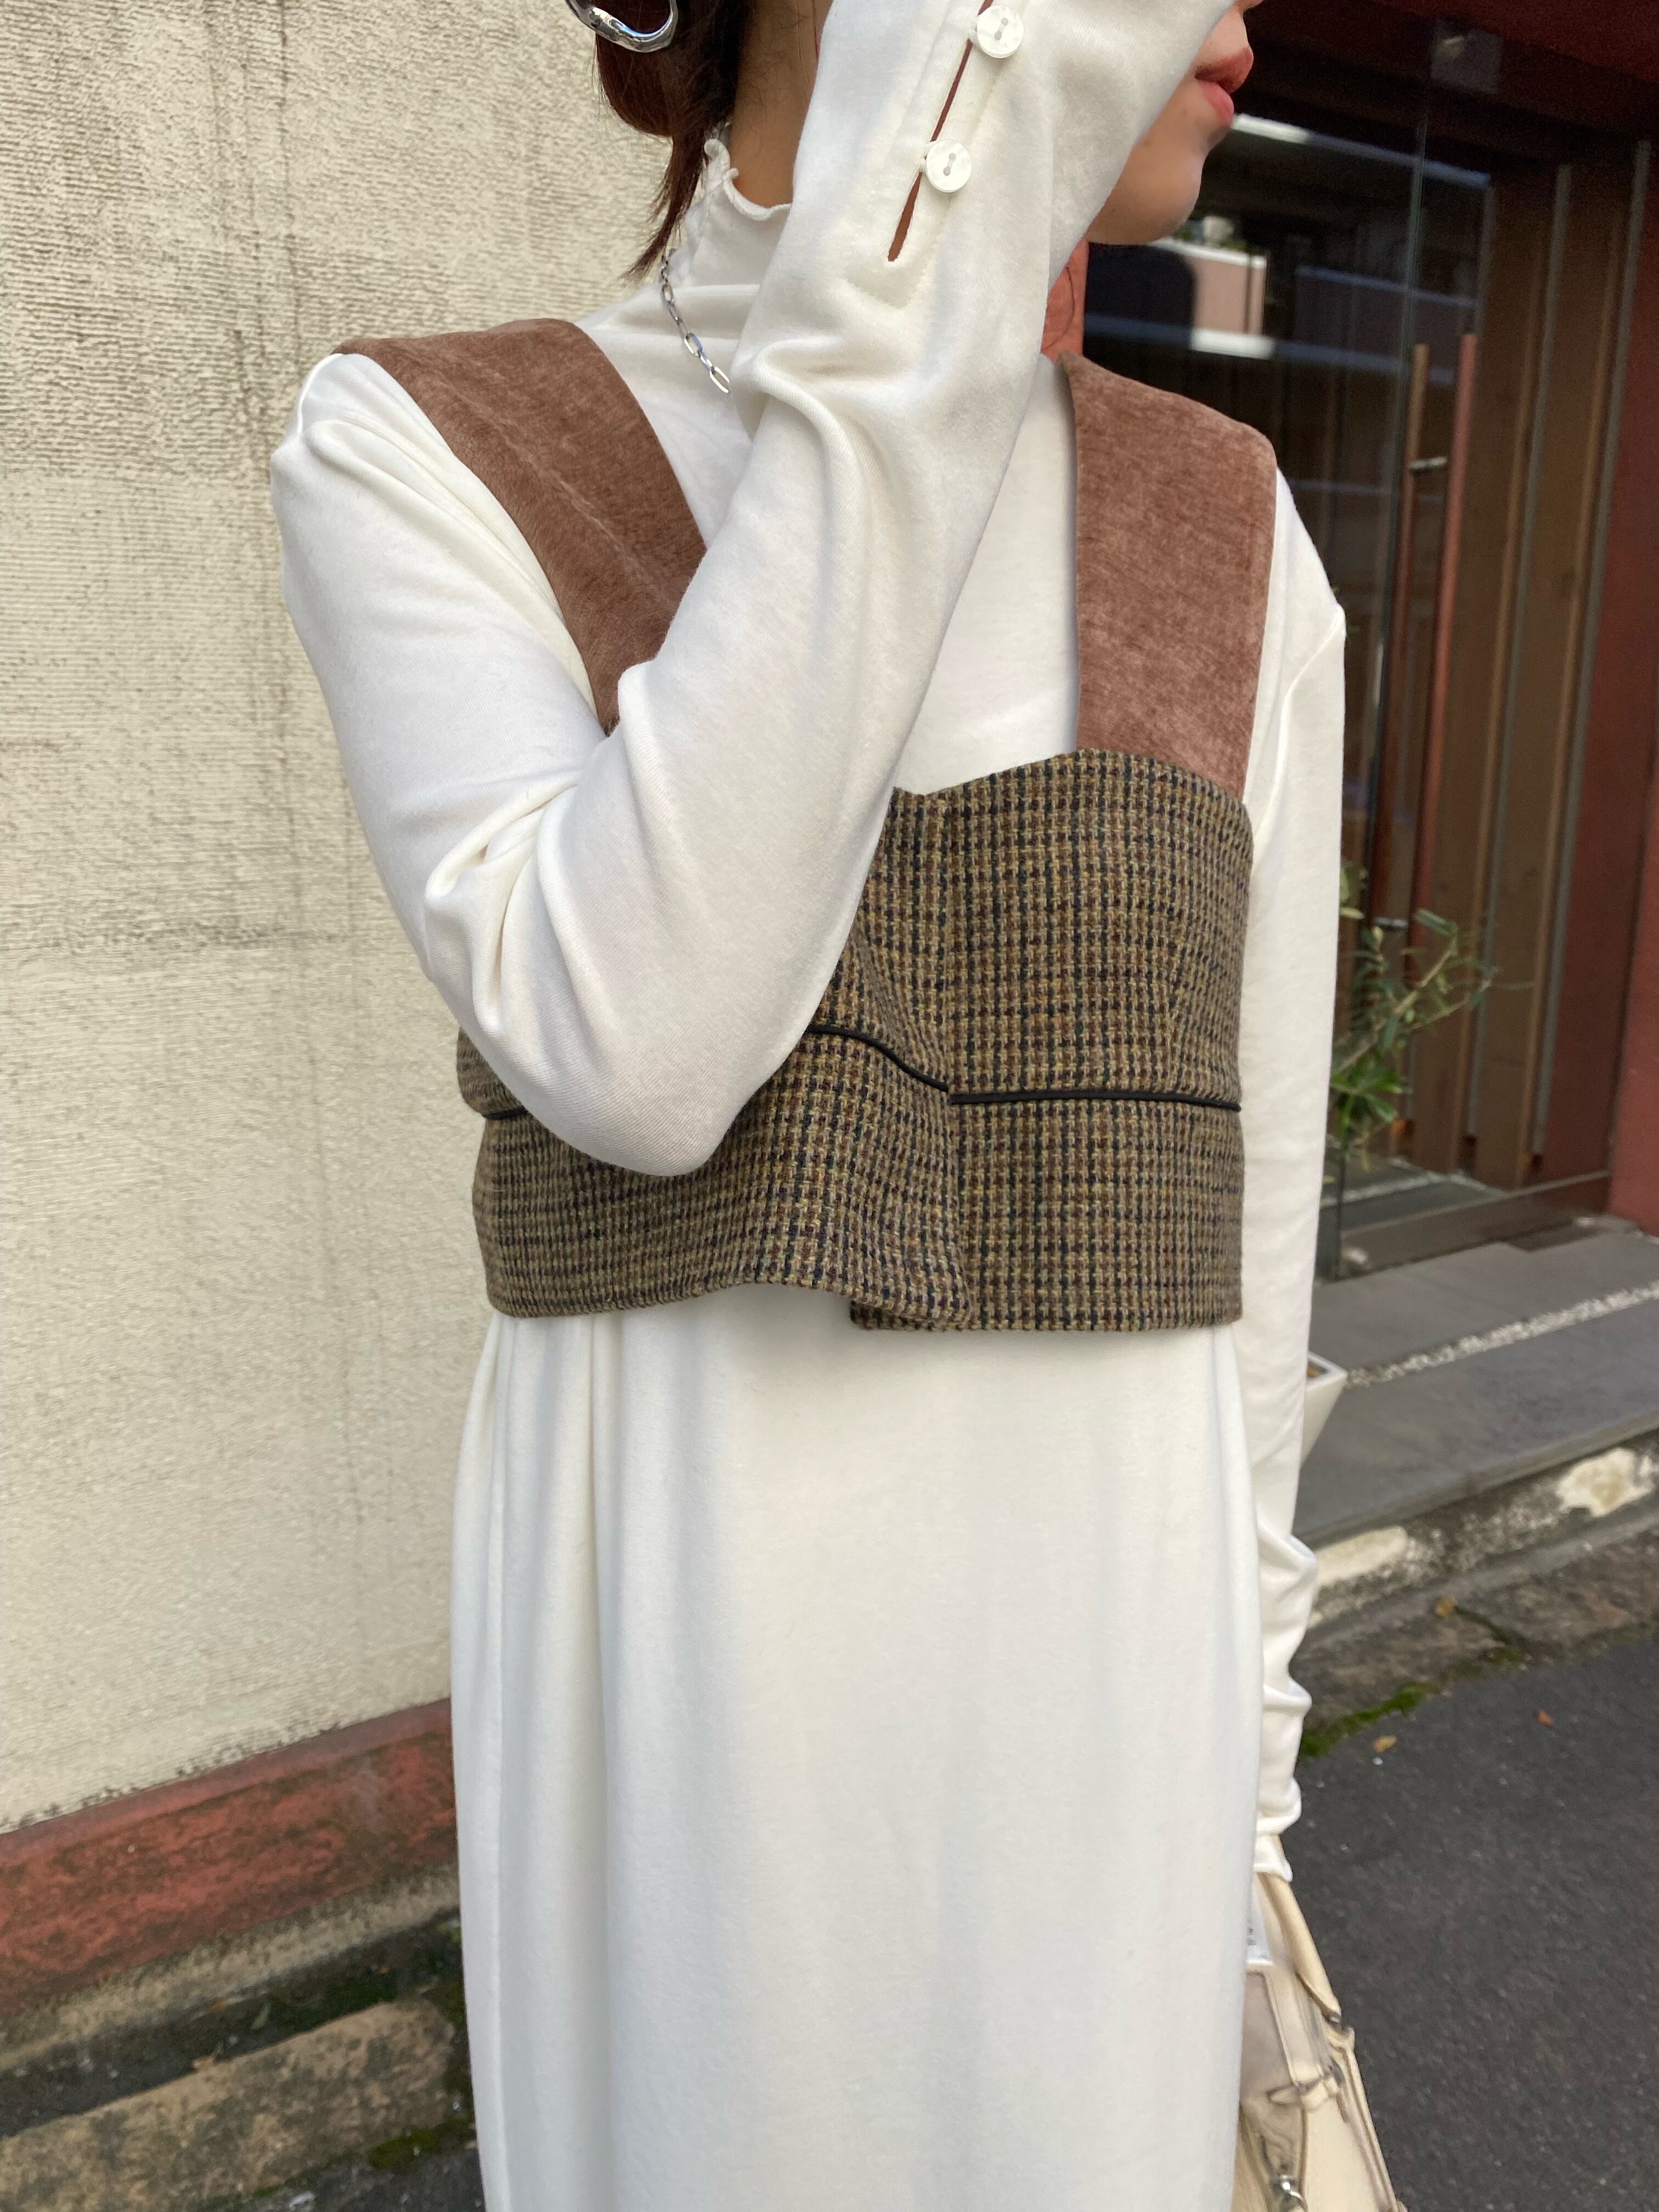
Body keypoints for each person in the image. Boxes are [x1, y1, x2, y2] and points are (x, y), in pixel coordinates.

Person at [271, 1, 1345, 2205]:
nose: (1238, 19)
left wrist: (1242, 1809)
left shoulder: (1220, 523)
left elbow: (1253, 1242)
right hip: (690, 1715)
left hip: (1108, 1711)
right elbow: (642, 1050)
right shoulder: (432, 446)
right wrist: (923, 270)